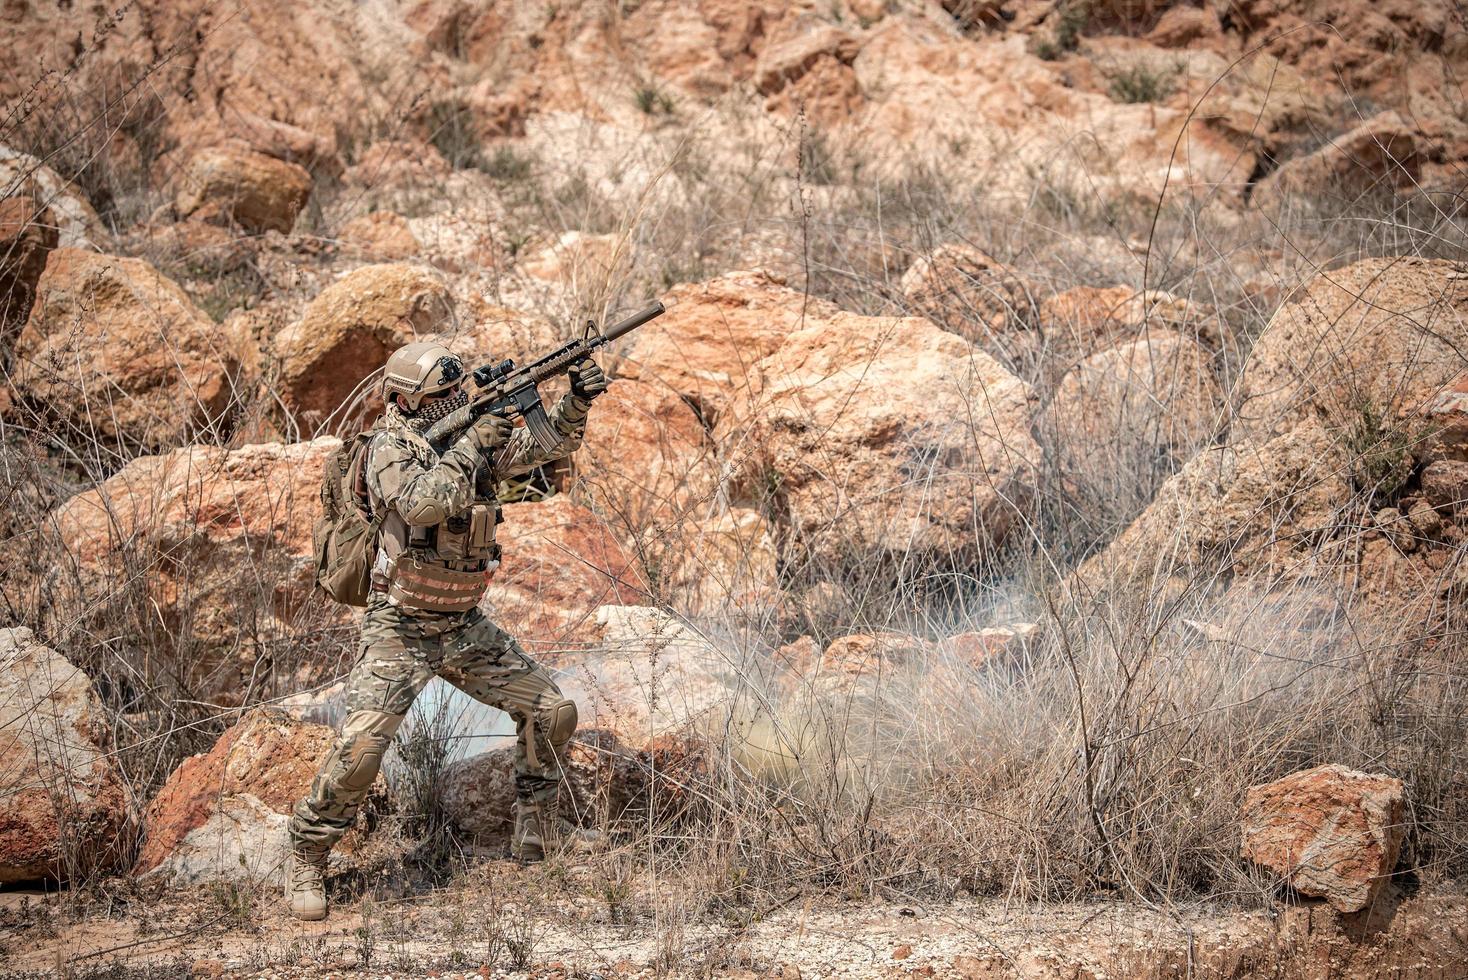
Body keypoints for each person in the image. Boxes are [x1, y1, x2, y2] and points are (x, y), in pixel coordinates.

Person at [284, 341, 606, 921]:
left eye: (458, 394)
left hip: (461, 624)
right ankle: (307, 854)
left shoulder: (469, 437)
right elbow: (421, 504)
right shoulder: (390, 449)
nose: (456, 401)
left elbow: (542, 448)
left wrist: (575, 403)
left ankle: (538, 833)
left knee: (552, 711)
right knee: (361, 751)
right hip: (400, 627)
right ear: (407, 401)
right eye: (443, 397)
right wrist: (471, 445)